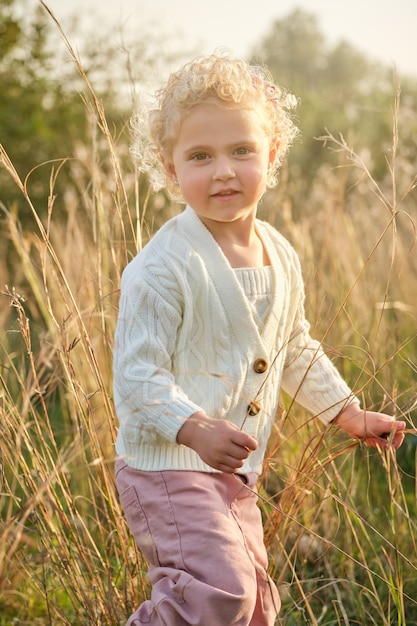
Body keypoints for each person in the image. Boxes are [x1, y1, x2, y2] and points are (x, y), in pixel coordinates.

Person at [113, 52, 405, 626]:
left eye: (241, 150)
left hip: (235, 469)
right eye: (200, 156)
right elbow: (137, 376)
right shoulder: (161, 268)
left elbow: (293, 346)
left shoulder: (280, 254)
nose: (223, 170)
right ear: (170, 170)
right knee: (218, 592)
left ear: (272, 155)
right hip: (168, 466)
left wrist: (346, 413)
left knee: (254, 606)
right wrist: (194, 427)